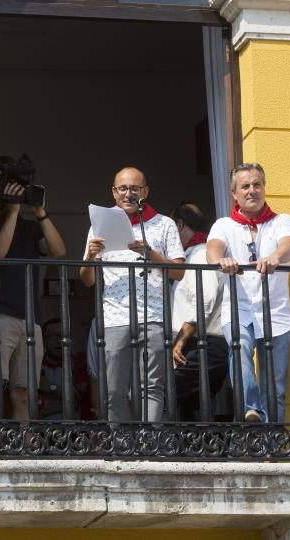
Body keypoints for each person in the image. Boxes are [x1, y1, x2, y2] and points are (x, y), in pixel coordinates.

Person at [79, 167, 185, 422]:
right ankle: (123, 447)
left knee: (151, 387)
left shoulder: (163, 224)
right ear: (114, 193)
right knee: (113, 389)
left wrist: (151, 255)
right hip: (115, 317)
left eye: (135, 188)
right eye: (123, 189)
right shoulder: (99, 226)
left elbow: (179, 272)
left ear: (145, 191)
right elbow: (87, 280)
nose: (128, 194)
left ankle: (150, 445)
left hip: (154, 314)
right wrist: (91, 257)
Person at [206, 163, 290, 423]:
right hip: (239, 309)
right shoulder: (224, 224)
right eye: (245, 186)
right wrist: (220, 261)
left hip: (276, 313)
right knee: (240, 347)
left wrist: (276, 257)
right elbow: (213, 248)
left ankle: (272, 450)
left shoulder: (281, 220)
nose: (252, 190)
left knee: (276, 388)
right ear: (234, 194)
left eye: (257, 184)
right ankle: (252, 410)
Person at [0, 156, 66, 421]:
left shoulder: (30, 228)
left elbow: (59, 252)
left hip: (31, 321)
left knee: (23, 394)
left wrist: (40, 212)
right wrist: (14, 211)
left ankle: (24, 450)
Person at [169, 202, 228, 421]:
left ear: (180, 224)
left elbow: (205, 298)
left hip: (204, 344)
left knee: (162, 391)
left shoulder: (201, 254)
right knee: (195, 408)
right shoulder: (192, 255)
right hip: (199, 343)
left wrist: (180, 340)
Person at [38, 319, 92, 420]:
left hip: (74, 432)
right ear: (43, 340)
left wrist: (50, 387)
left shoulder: (80, 364)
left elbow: (75, 401)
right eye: (53, 336)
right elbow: (31, 407)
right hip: (40, 432)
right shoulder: (35, 366)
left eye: (63, 335)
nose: (59, 340)